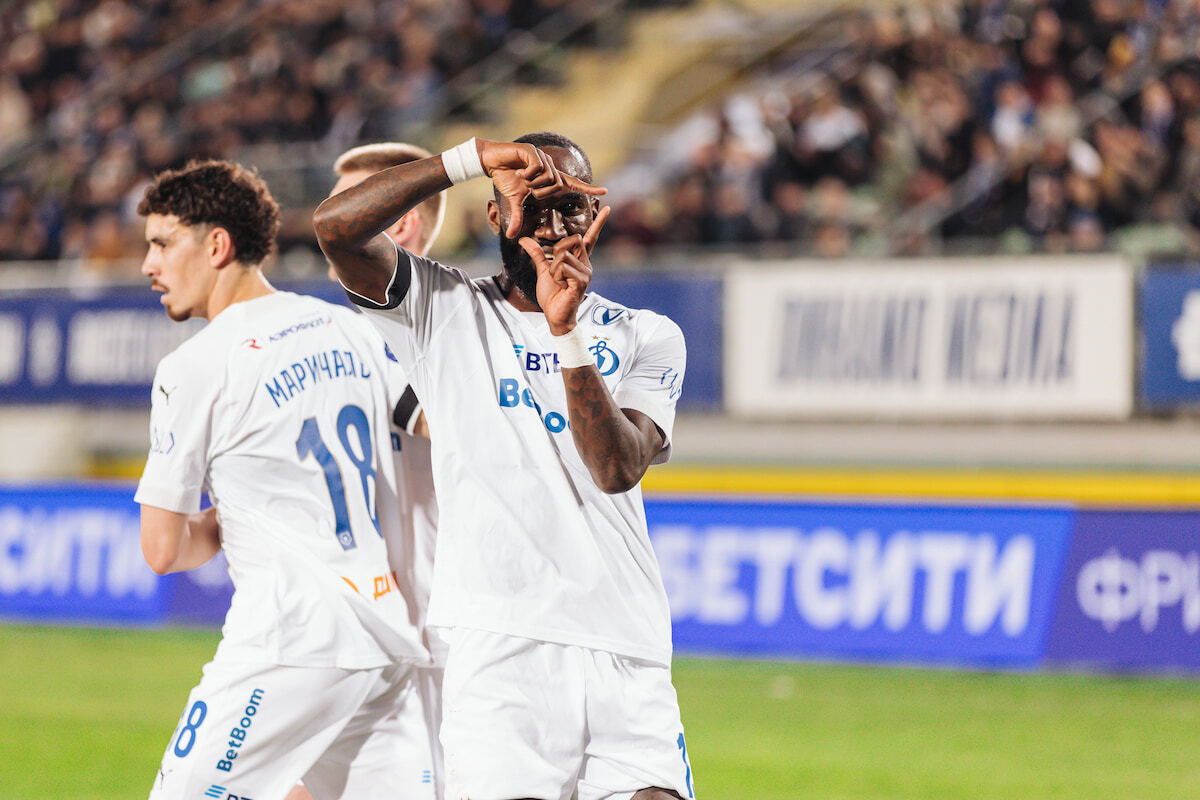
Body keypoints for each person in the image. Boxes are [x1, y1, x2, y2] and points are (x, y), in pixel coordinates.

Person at [314, 132, 694, 800]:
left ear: (594, 217)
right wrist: (469, 161)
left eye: (571, 206)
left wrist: (566, 330)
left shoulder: (647, 334)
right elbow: (336, 229)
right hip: (498, 650)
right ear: (496, 216)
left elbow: (615, 468)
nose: (551, 225)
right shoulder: (443, 308)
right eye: (533, 204)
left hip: (625, 647)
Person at [135, 159, 436, 800]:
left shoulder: (195, 367)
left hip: (291, 634)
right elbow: (434, 424)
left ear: (216, 244)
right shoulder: (347, 327)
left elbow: (163, 551)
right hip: (384, 633)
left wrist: (219, 522)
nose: (148, 266)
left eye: (162, 243)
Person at [287, 141, 449, 800]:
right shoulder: (366, 335)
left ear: (400, 223)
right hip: (367, 633)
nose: (324, 232)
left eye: (342, 212)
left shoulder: (429, 336)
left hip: (441, 642)